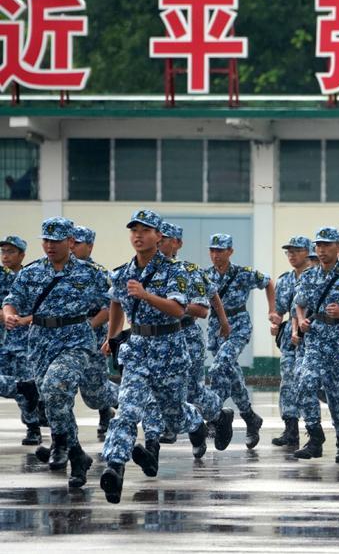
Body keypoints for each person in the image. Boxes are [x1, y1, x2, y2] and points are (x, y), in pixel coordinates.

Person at [99, 210, 230, 503]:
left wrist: (145, 295)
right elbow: (116, 302)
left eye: (145, 230)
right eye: (133, 230)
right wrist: (112, 337)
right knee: (128, 411)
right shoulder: (122, 273)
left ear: (159, 236)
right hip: (137, 350)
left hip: (169, 349)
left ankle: (197, 421)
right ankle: (115, 468)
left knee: (173, 414)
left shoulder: (176, 272)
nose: (138, 235)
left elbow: (178, 309)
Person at [3, 218, 108, 489]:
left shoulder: (90, 273)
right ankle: (75, 453)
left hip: (75, 340)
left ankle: (60, 443)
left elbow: (111, 304)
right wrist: (10, 315)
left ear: (70, 242)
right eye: (46, 240)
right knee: (52, 399)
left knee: (55, 387)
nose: (49, 246)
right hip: (40, 342)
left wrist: (105, 332)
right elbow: (12, 301)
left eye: (56, 241)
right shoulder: (32, 272)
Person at [293, 227, 339, 466]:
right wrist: (302, 320)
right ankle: (315, 437)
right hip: (316, 339)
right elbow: (300, 303)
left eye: (327, 245)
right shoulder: (309, 276)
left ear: (338, 247)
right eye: (318, 246)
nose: (322, 250)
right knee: (305, 382)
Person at [205, 233, 278, 449]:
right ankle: (250, 418)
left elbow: (267, 282)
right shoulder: (205, 275)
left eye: (220, 250)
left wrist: (272, 309)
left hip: (238, 326)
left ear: (230, 252)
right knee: (232, 374)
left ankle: (214, 416)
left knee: (219, 366)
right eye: (212, 250)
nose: (216, 255)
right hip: (216, 328)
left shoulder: (242, 274)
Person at [71, 225, 118, 438]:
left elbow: (109, 308)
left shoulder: (99, 274)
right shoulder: (57, 271)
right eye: (69, 242)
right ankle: (62, 438)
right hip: (62, 337)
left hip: (93, 335)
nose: (71, 248)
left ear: (89, 247)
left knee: (94, 389)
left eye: (77, 243)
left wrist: (86, 326)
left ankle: (120, 402)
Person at [272, 236, 313, 447]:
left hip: (311, 334)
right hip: (290, 336)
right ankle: (290, 428)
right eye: (288, 252)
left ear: (307, 252)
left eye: (296, 251)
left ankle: (313, 428)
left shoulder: (314, 276)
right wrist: (275, 320)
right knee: (287, 380)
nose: (292, 255)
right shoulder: (284, 280)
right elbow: (279, 310)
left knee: (306, 381)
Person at [0, 235, 41, 445]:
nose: (5, 256)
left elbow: (45, 311)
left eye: (10, 252)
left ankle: (33, 427)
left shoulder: (32, 278)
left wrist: (24, 319)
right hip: (4, 340)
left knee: (27, 390)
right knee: (22, 386)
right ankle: (21, 386)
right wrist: (6, 316)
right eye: (3, 251)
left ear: (22, 255)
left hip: (28, 341)